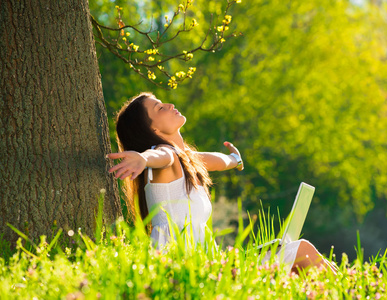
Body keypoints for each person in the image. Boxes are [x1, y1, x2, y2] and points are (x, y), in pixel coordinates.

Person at [107, 92, 336, 274]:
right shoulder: (164, 154)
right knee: (303, 251)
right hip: (188, 271)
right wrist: (143, 158)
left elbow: (214, 160)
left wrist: (235, 159)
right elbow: (160, 156)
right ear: (153, 130)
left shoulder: (184, 159)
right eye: (159, 108)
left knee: (299, 258)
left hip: (212, 264)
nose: (168, 104)